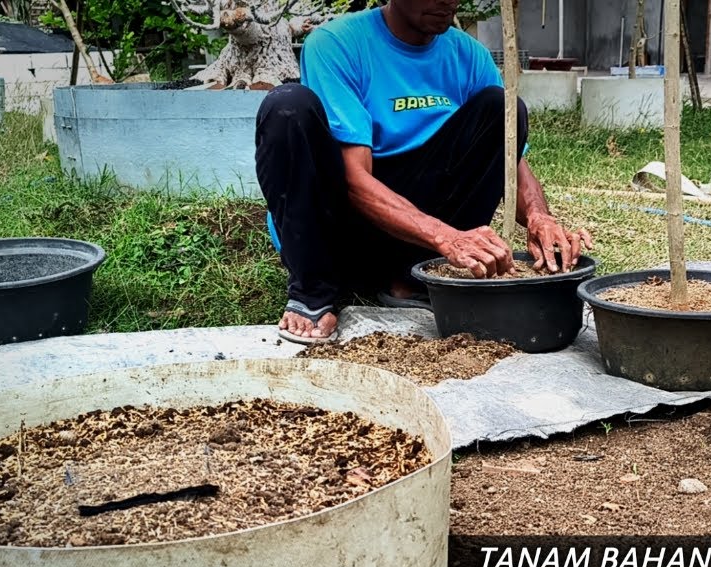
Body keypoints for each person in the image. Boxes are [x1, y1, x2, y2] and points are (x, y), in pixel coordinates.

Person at [254, 0, 593, 343]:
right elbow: (354, 180)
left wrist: (538, 216)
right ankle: (312, 292)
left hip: (417, 237)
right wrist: (447, 238)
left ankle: (412, 278)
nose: (447, 1)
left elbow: (511, 162)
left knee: (501, 107)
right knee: (287, 106)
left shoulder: (468, 54)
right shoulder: (336, 43)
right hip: (342, 234)